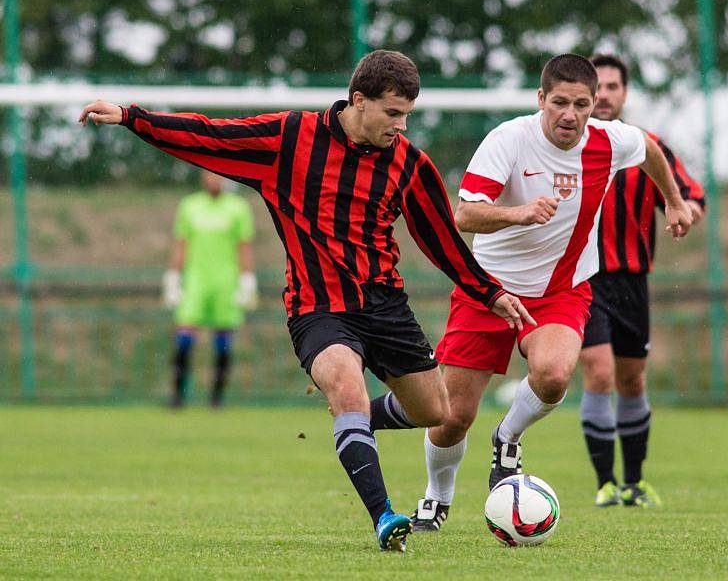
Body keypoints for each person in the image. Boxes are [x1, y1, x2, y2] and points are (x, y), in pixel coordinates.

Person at [78, 49, 532, 552]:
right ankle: (384, 516)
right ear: (359, 100)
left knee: (436, 412)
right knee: (345, 383)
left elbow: (441, 237)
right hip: (316, 306)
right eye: (392, 113)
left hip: (384, 305)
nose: (401, 126)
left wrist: (488, 291)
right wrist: (131, 118)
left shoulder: (409, 163)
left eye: (407, 115)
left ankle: (351, 422)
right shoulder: (289, 139)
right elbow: (210, 135)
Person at [410, 53, 693, 532]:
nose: (570, 114)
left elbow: (647, 148)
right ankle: (437, 498)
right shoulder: (508, 140)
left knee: (555, 374)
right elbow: (464, 214)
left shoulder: (609, 140)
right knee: (452, 416)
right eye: (559, 102)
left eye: (581, 104)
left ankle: (508, 437)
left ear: (593, 105)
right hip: (489, 290)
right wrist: (518, 213)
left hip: (562, 290)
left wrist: (675, 200)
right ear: (540, 99)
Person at [579, 54, 706, 508]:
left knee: (632, 380)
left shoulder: (645, 146)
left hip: (632, 282)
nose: (605, 95)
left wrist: (683, 212)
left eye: (614, 86)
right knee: (599, 372)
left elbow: (691, 195)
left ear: (624, 93)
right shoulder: (563, 144)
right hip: (582, 280)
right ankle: (604, 483)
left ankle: (633, 482)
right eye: (599, 87)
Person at [162, 170, 257, 409]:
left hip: (226, 282)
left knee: (223, 342)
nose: (213, 180)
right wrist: (173, 277)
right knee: (184, 338)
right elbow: (181, 243)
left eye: (217, 176)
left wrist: (247, 279)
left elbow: (243, 246)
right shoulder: (189, 206)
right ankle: (178, 395)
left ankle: (216, 398)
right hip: (196, 281)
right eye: (209, 175)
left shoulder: (238, 208)